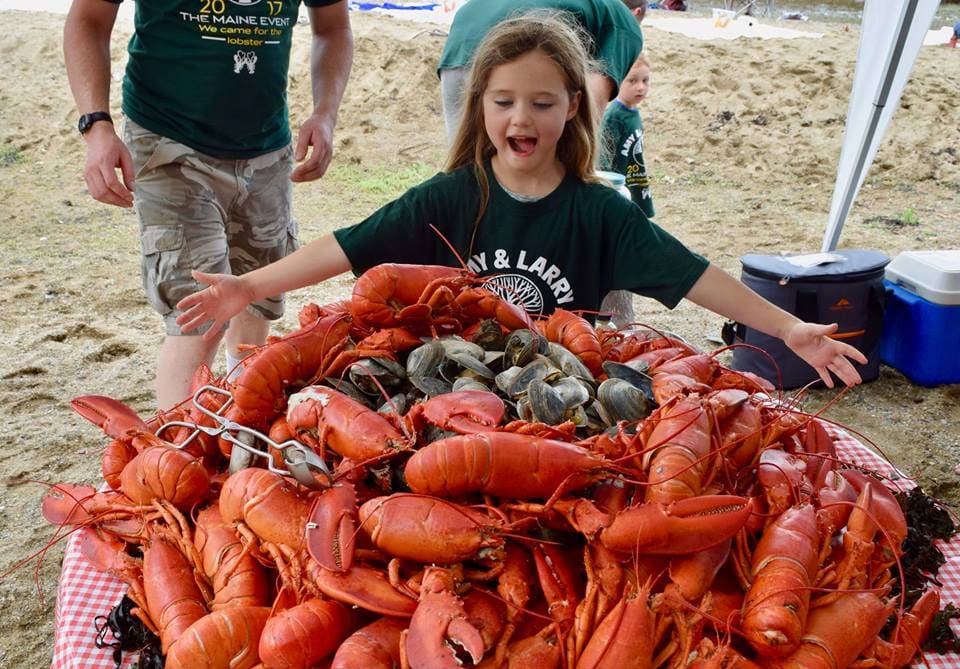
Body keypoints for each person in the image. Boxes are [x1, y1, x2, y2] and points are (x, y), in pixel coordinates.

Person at [175, 12, 867, 389]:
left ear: (575, 107)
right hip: (454, 386)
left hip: (568, 397)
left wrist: (787, 328)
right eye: (504, 101)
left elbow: (695, 277)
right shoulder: (451, 196)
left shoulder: (602, 213)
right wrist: (248, 286)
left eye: (542, 102)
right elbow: (350, 243)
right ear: (481, 106)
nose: (521, 119)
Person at [63, 0, 354, 411]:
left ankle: (243, 407)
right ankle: (178, 454)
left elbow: (333, 26)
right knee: (199, 315)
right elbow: (88, 18)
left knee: (261, 294)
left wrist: (325, 113)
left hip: (266, 143)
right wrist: (96, 125)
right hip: (169, 141)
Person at [437, 0, 646, 144]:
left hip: (458, 49)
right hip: (512, 53)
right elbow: (591, 109)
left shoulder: (596, 9)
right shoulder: (628, 29)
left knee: (465, 167)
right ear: (637, 13)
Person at [597, 52, 653, 328]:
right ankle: (613, 319)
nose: (640, 87)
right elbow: (604, 160)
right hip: (617, 192)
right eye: (632, 81)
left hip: (633, 187)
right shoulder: (614, 116)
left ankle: (621, 317)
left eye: (645, 81)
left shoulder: (634, 114)